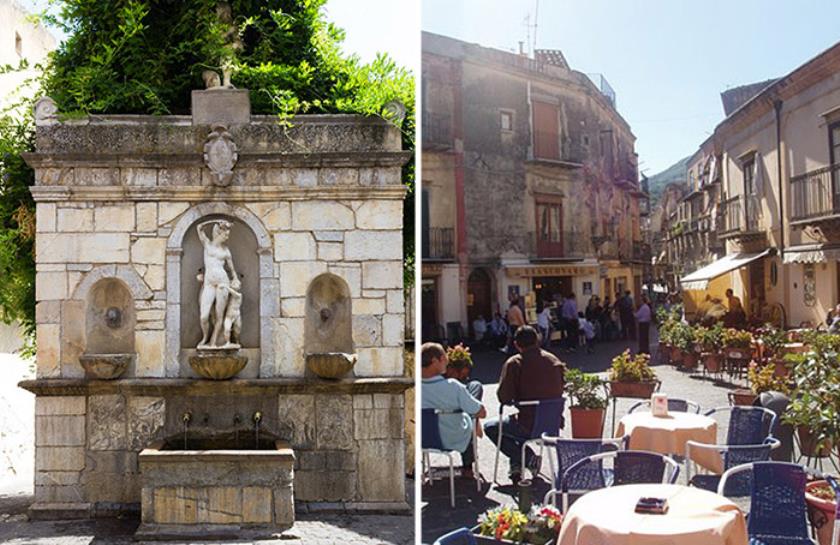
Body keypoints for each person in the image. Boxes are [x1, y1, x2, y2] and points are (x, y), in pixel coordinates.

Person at [483, 326, 566, 483]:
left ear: (516, 344)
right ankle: (517, 466)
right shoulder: (554, 361)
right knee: (513, 424)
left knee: (492, 427)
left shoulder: (515, 363)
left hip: (527, 424)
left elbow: (504, 398)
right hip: (552, 422)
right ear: (537, 340)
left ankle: (528, 459)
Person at [421, 343, 487, 479]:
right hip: (453, 437)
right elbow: (482, 413)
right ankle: (468, 467)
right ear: (435, 361)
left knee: (464, 413)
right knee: (470, 414)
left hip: (425, 439)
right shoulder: (453, 386)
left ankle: (467, 409)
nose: (447, 362)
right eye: (445, 358)